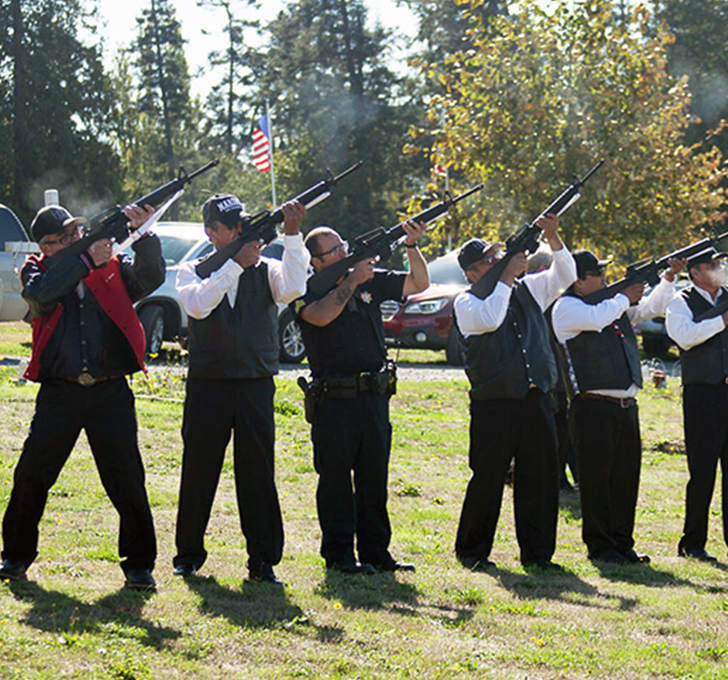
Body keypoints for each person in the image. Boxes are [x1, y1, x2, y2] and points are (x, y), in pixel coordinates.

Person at [0, 202, 164, 590]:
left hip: (110, 389)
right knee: (32, 476)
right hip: (61, 391)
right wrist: (85, 261)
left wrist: (146, 237)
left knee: (127, 479)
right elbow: (40, 298)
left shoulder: (112, 262)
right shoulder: (36, 269)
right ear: (48, 245)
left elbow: (148, 279)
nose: (76, 239)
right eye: (65, 238)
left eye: (77, 233)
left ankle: (139, 565)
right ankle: (15, 556)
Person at [172, 194, 308, 584]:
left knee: (258, 472)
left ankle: (263, 560)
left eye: (240, 225)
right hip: (208, 383)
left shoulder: (266, 268)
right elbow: (199, 306)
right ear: (211, 233)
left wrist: (293, 234)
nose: (239, 232)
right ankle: (188, 554)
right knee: (199, 469)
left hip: (254, 383)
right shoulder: (193, 269)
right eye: (230, 227)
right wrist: (234, 265)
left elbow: (294, 287)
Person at [295, 221, 428, 574]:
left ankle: (376, 553)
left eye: (343, 245)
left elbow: (419, 284)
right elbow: (320, 317)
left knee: (374, 479)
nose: (344, 252)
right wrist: (351, 280)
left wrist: (411, 245)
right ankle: (339, 555)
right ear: (317, 262)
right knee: (336, 479)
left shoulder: (370, 279)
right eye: (334, 250)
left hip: (373, 394)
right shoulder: (308, 288)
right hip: (334, 398)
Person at [453, 214, 576, 572]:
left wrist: (553, 238)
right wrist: (505, 276)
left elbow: (565, 277)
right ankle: (472, 550)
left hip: (536, 398)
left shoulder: (527, 289)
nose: (495, 263)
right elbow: (491, 318)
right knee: (488, 475)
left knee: (540, 477)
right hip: (494, 402)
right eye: (487, 262)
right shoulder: (467, 301)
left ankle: (538, 554)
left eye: (496, 257)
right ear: (472, 274)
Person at [551, 250, 685, 564]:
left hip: (626, 406)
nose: (604, 278)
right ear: (578, 282)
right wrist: (625, 295)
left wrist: (667, 278)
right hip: (592, 407)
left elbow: (653, 307)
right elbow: (599, 318)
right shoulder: (567, 307)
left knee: (626, 478)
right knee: (596, 480)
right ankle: (600, 547)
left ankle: (623, 544)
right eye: (597, 274)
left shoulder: (612, 305)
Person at [665, 248, 728, 563]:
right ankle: (693, 543)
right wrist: (722, 321)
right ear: (696, 272)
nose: (720, 269)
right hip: (703, 394)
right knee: (702, 471)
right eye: (713, 265)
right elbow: (685, 337)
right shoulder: (680, 302)